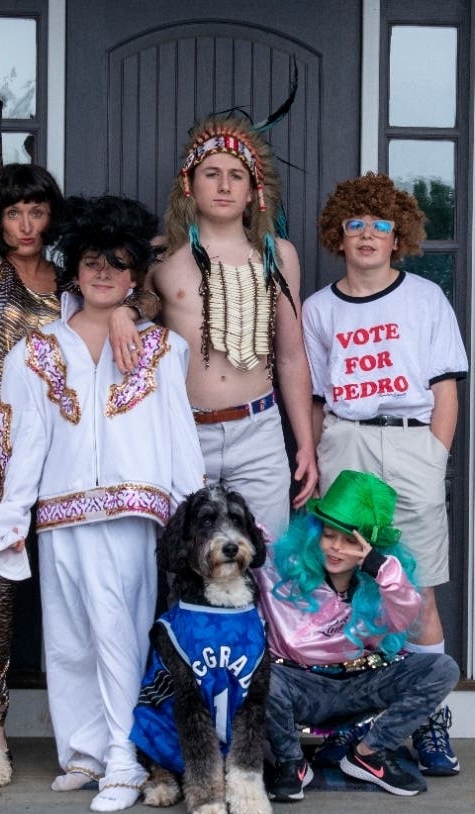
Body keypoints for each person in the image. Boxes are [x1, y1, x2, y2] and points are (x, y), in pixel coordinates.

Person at [0, 196, 205, 813]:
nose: (103, 272)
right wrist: (16, 509)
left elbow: (180, 436)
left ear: (134, 277)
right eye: (92, 262)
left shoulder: (162, 350)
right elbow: (27, 440)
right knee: (69, 640)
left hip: (130, 514)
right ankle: (85, 751)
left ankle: (125, 761)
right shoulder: (35, 352)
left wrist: (189, 517)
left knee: (116, 633)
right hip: (60, 512)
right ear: (74, 269)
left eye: (118, 263)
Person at [0, 24, 142, 733]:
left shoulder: (70, 285)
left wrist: (124, 312)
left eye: (37, 210)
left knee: (73, 582)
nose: (25, 220)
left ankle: (100, 724)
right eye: (14, 210)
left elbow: (117, 301)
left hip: (59, 447)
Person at [302, 172, 468, 775]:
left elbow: (444, 389)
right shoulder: (318, 310)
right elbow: (318, 395)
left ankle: (428, 721)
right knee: (347, 586)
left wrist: (434, 459)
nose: (367, 234)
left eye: (380, 224)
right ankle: (355, 720)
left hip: (409, 444)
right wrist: (316, 457)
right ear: (338, 235)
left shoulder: (425, 299)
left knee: (417, 587)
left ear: (397, 236)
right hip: (345, 440)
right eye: (355, 224)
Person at [143, 114, 318, 538]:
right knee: (185, 559)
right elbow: (129, 322)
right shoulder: (160, 257)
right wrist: (119, 313)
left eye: (236, 176)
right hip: (183, 430)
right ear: (190, 183)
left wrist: (306, 443)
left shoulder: (278, 256)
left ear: (253, 191)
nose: (224, 186)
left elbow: (291, 356)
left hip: (257, 429)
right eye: (212, 174)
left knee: (265, 559)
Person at [257, 470, 459, 800]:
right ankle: (291, 762)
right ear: (315, 534)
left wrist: (378, 567)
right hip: (297, 685)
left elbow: (406, 614)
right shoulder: (284, 569)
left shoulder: (379, 587)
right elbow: (247, 537)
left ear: (370, 547)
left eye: (351, 541)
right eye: (329, 535)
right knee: (259, 673)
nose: (336, 548)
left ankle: (367, 754)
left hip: (359, 686)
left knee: (443, 668)